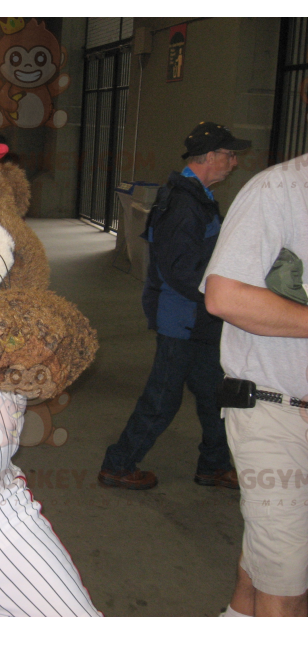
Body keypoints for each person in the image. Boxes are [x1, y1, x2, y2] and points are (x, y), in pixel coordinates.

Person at [98, 121, 250, 490]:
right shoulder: (185, 203)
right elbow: (181, 271)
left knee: (214, 395)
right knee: (163, 399)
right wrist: (223, 298)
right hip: (182, 318)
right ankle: (118, 465)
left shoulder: (195, 196)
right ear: (210, 157)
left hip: (198, 319)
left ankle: (213, 465)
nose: (234, 162)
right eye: (229, 155)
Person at [203, 150, 308, 617]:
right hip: (276, 412)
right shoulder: (278, 191)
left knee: (270, 559)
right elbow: (224, 296)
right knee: (288, 589)